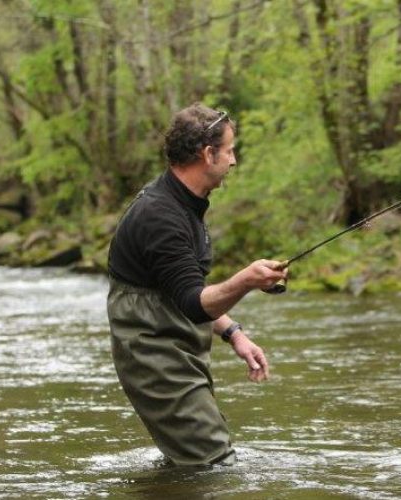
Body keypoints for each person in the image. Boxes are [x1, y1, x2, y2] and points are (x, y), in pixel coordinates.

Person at [106, 103, 287, 466]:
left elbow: (181, 289)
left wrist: (234, 333)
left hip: (171, 349)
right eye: (230, 150)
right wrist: (247, 280)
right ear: (208, 154)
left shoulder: (183, 205)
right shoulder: (161, 216)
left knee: (194, 464)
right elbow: (192, 302)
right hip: (152, 354)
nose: (234, 161)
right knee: (213, 464)